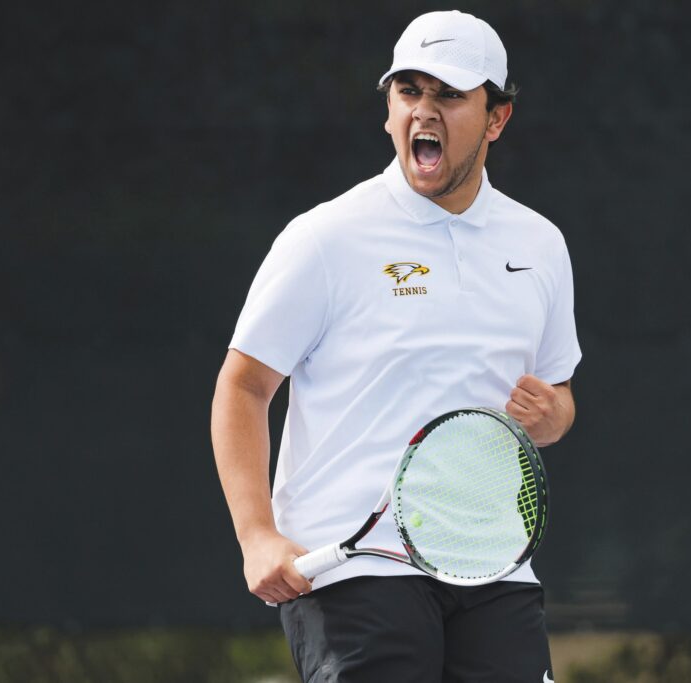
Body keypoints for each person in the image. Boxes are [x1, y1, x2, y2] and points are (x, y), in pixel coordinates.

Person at [211, 9, 580, 682]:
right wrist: (256, 534)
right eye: (408, 91)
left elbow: (557, 397)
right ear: (388, 110)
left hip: (492, 561)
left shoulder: (540, 246)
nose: (423, 111)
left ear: (496, 118)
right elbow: (243, 386)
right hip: (355, 568)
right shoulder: (324, 239)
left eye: (448, 95)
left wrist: (551, 414)